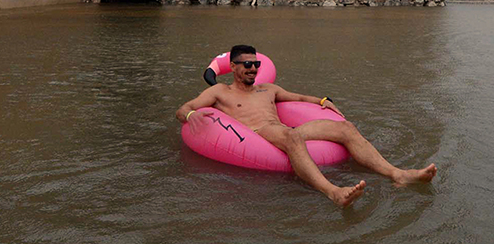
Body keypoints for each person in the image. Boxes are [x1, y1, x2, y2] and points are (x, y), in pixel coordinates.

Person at [176, 45, 437, 207]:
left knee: (345, 129)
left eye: (256, 64)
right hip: (257, 135)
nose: (253, 69)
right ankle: (333, 192)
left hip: (282, 131)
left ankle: (397, 174)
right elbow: (183, 108)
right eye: (247, 64)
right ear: (232, 67)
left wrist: (324, 101)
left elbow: (299, 98)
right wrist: (190, 117)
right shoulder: (220, 92)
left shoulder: (267, 89)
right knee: (290, 136)